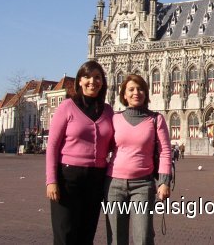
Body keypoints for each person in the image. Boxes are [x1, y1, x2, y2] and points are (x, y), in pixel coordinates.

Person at [46, 60, 115, 245]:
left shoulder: (108, 111)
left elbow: (117, 143)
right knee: (65, 234)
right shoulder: (67, 106)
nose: (92, 81)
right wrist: (51, 181)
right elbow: (52, 145)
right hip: (68, 177)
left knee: (87, 234)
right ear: (79, 81)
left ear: (103, 82)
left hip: (96, 178)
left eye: (97, 77)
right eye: (87, 76)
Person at [105, 74, 172, 245]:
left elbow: (165, 151)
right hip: (114, 185)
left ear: (146, 93)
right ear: (124, 94)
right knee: (116, 239)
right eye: (131, 89)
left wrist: (164, 181)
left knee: (143, 237)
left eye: (140, 89)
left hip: (143, 185)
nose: (136, 93)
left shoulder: (156, 119)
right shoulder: (114, 119)